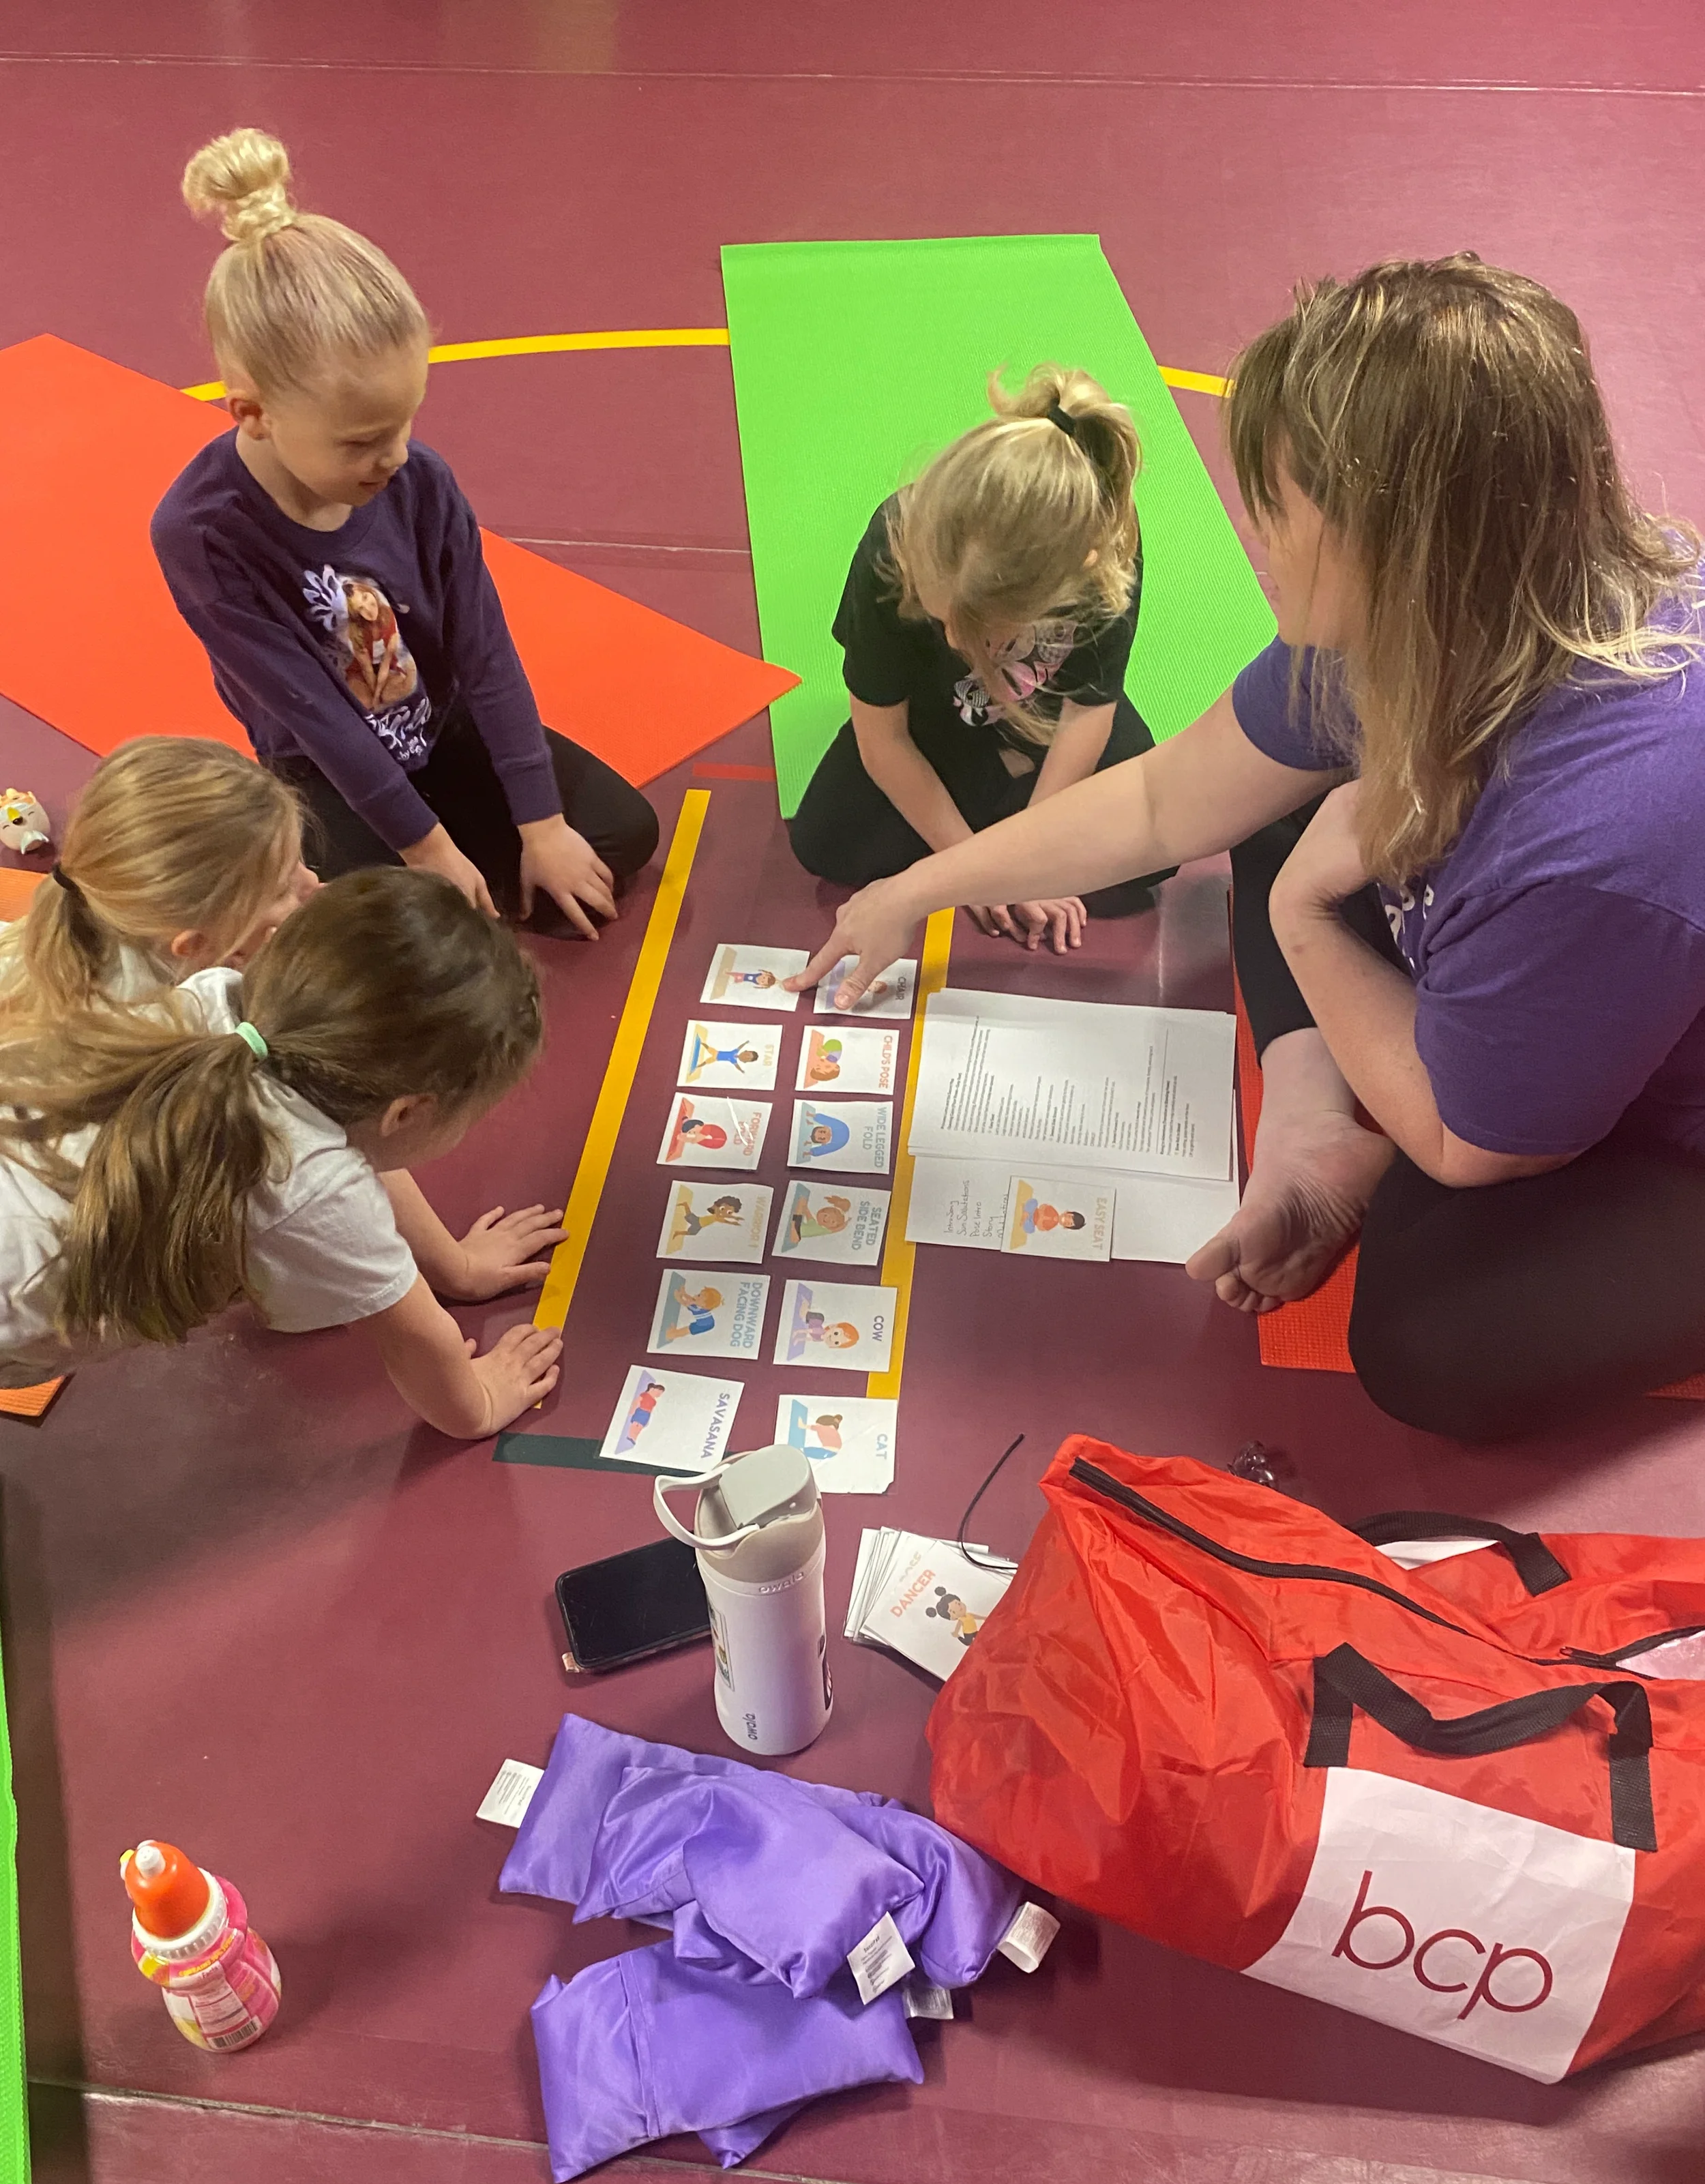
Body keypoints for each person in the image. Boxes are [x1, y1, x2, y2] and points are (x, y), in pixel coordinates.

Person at [795, 255, 1705, 1442]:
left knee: (1429, 1345)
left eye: (1275, 503)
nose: (1252, 533)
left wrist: (1305, 916)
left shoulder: (1595, 832)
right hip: (1542, 966)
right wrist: (912, 888)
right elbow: (1172, 800)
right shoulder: (1411, 622)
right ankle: (1316, 1120)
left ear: (1393, 537)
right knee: (1282, 798)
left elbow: (1466, 1142)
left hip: (1650, 1111)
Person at [152, 128, 658, 937]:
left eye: (404, 424)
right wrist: (430, 853)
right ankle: (447, 881)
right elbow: (315, 714)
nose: (393, 457)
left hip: (438, 720)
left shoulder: (420, 480)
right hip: (322, 766)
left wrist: (541, 825)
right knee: (380, 928)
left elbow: (485, 652)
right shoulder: (203, 532)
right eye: (358, 442)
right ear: (251, 411)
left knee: (620, 834)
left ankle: (481, 872)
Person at [0, 868, 567, 1436]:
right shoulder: (309, 1181)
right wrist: (483, 1402)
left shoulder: (235, 1010)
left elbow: (349, 1145)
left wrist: (456, 1268)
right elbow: (419, 1339)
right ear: (407, 1112)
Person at [787, 365, 1173, 954]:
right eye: (940, 619)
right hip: (934, 718)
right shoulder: (896, 540)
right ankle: (997, 786)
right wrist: (979, 868)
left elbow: (1086, 714)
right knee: (825, 841)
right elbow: (883, 738)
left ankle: (1004, 790)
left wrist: (1025, 856)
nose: (955, 644)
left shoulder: (1105, 552)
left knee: (1156, 849)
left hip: (1048, 724)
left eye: (982, 631)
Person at [0, 735, 317, 1031]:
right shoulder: (193, 1036)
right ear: (196, 945)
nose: (313, 882)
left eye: (299, 861)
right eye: (281, 890)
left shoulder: (89, 916)